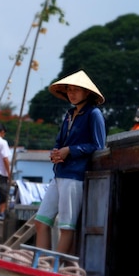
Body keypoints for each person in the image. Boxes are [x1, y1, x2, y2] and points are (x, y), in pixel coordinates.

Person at [34, 70, 106, 254]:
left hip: (75, 176)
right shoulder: (68, 115)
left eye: (76, 90)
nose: (71, 93)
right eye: (69, 90)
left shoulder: (94, 114)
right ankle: (42, 263)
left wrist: (70, 151)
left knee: (66, 226)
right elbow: (60, 142)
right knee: (41, 221)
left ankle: (56, 267)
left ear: (87, 93)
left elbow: (98, 145)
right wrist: (56, 153)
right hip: (59, 174)